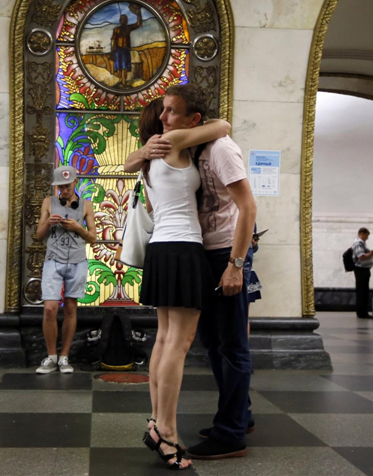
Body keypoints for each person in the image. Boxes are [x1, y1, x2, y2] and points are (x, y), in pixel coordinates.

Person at [127, 83, 256, 462]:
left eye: (171, 111)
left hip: (169, 251)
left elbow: (221, 134)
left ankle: (193, 423)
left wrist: (236, 264)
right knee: (180, 345)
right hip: (184, 250)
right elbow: (222, 125)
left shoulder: (154, 156)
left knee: (172, 341)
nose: (165, 118)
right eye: (163, 112)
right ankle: (165, 431)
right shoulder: (175, 143)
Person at [34, 165, 97, 374]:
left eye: (68, 186)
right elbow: (38, 235)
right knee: (50, 307)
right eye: (61, 187)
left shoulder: (86, 205)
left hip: (78, 262)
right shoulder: (48, 203)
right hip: (53, 260)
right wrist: (49, 224)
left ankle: (64, 357)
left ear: (75, 183)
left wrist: (78, 228)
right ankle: (51, 356)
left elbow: (93, 238)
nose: (65, 190)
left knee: (71, 307)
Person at [111, 4, 143, 86]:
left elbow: (138, 24)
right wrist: (112, 51)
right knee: (118, 66)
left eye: (126, 19)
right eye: (123, 19)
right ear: (120, 20)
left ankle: (124, 81)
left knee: (124, 66)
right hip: (118, 50)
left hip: (125, 50)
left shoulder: (128, 28)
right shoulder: (116, 29)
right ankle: (120, 80)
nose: (124, 20)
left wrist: (139, 14)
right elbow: (113, 40)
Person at [352, 228, 373, 319]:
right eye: (367, 235)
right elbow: (361, 256)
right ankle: (362, 313)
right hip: (361, 270)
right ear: (362, 234)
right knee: (362, 291)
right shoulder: (358, 244)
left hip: (363, 270)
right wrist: (371, 253)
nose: (367, 238)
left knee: (363, 291)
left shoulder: (361, 243)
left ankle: (362, 312)